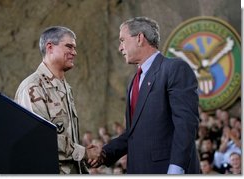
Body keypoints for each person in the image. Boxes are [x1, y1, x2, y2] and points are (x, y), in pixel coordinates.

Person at [89, 17, 200, 174]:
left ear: (140, 38)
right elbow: (133, 133)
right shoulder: (133, 81)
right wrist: (105, 153)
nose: (120, 48)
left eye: (122, 40)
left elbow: (186, 125)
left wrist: (176, 169)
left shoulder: (174, 69)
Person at [14, 26, 100, 174]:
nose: (74, 52)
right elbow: (40, 139)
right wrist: (84, 152)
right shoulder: (32, 87)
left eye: (74, 47)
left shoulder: (65, 87)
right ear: (50, 47)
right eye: (69, 46)